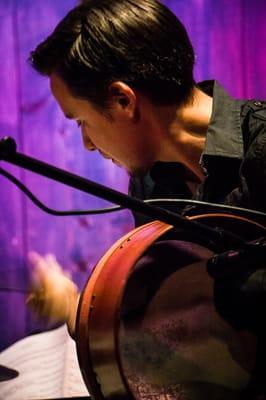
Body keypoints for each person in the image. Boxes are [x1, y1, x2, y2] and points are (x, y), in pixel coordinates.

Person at [27, 0, 266, 397]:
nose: (86, 143)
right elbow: (168, 332)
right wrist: (77, 307)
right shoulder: (152, 186)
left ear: (124, 100)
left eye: (82, 121)